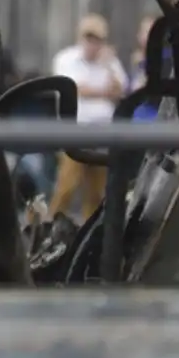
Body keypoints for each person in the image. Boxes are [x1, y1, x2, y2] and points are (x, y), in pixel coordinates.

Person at [47, 13, 126, 221]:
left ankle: (89, 236)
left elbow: (121, 91)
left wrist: (109, 66)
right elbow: (75, 89)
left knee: (97, 192)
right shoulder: (66, 59)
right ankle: (48, 229)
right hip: (76, 131)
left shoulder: (110, 63)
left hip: (102, 133)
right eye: (88, 39)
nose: (92, 44)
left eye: (97, 40)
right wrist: (104, 92)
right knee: (67, 186)